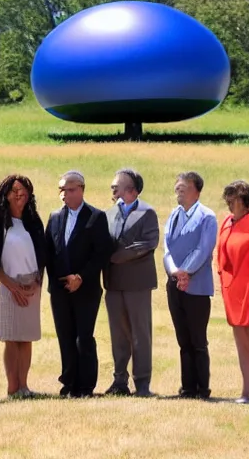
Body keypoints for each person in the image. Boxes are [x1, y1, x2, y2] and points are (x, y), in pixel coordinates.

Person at [45, 170, 112, 398]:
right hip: (59, 289)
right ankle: (68, 383)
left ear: (82, 189)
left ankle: (85, 386)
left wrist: (81, 277)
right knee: (65, 336)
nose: (65, 195)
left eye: (70, 189)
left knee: (83, 336)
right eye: (62, 190)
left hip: (86, 288)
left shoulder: (96, 217)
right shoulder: (54, 217)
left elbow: (102, 253)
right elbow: (48, 251)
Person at [0, 175, 46, 399]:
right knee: (12, 337)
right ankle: (13, 387)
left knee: (26, 337)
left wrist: (36, 282)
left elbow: (43, 255)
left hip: (33, 286)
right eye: (14, 190)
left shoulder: (34, 221)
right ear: (5, 194)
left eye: (23, 190)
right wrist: (14, 287)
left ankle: (24, 386)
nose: (19, 193)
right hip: (9, 285)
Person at [103, 169, 159, 397]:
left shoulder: (147, 213)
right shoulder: (108, 214)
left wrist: (119, 256)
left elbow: (148, 242)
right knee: (118, 334)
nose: (113, 188)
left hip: (138, 283)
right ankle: (119, 381)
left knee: (140, 334)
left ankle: (142, 383)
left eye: (117, 185)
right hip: (114, 283)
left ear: (132, 190)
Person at [163, 172, 217, 400]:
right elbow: (166, 248)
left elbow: (204, 249)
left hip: (197, 286)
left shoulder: (207, 217)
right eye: (177, 187)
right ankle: (187, 388)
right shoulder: (174, 215)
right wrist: (175, 271)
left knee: (197, 340)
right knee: (183, 339)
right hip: (175, 284)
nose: (179, 190)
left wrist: (186, 271)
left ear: (197, 189)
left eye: (183, 187)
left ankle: (202, 388)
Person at [217, 180, 249, 404]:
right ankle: (246, 392)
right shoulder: (227, 223)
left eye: (233, 199)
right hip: (232, 292)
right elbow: (220, 256)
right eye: (227, 199)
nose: (229, 204)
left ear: (246, 202)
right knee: (241, 345)